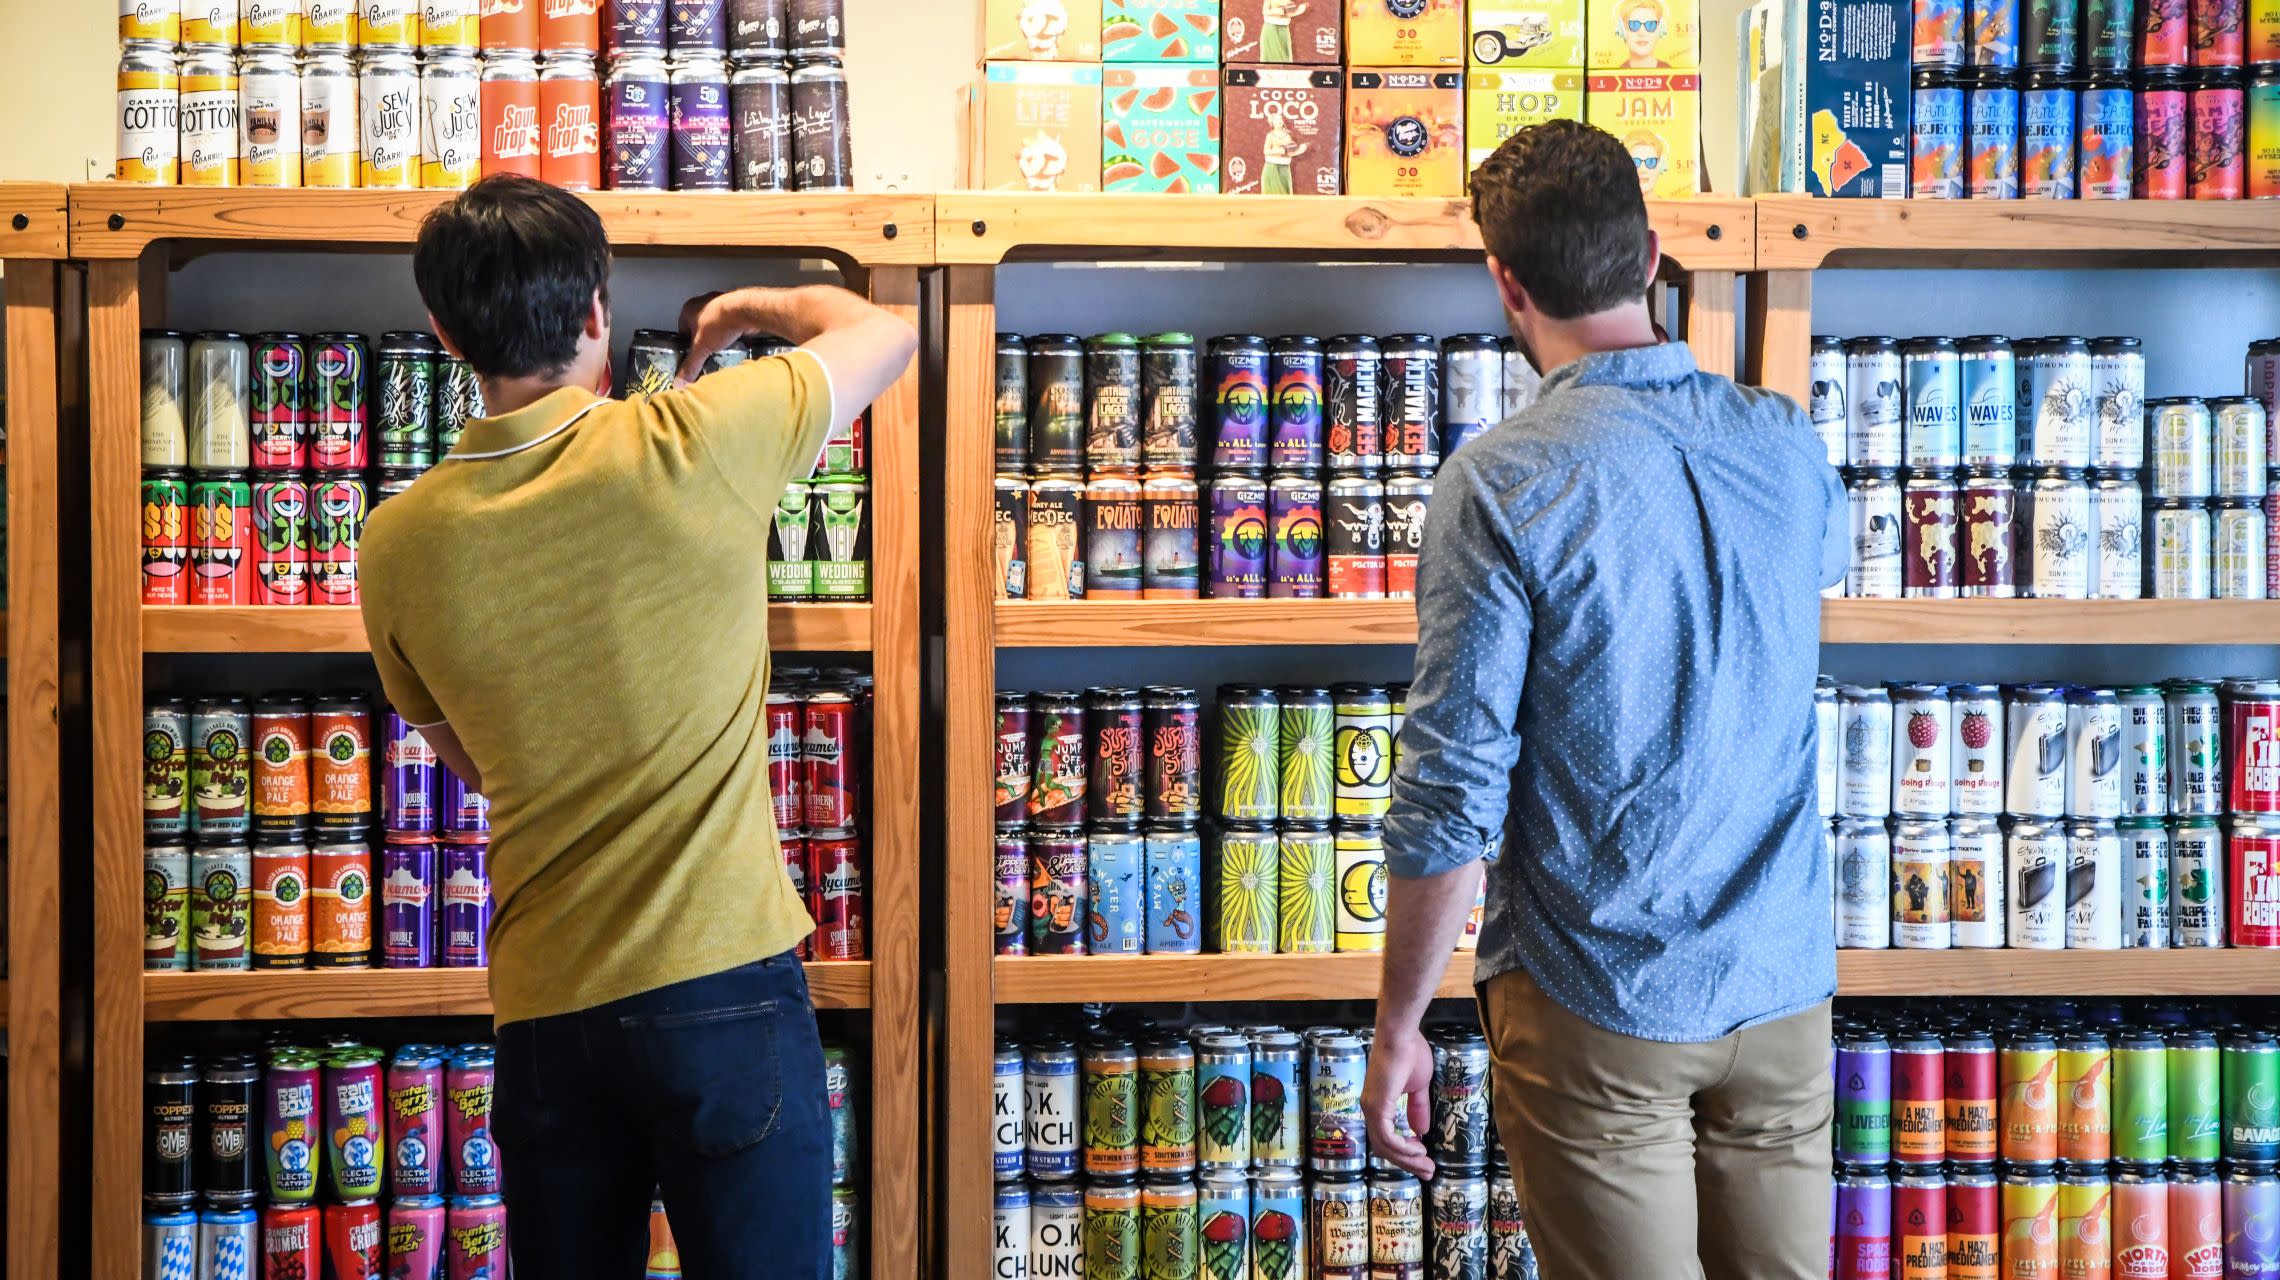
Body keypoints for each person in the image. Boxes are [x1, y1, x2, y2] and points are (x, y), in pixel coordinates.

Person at [359, 175, 916, 1279]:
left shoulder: (395, 540)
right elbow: (885, 331)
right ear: (597, 312)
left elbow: (477, 761)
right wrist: (747, 311)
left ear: (444, 332)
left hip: (546, 1008)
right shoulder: (694, 437)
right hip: (724, 984)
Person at [1359, 120, 1845, 1280]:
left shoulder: (1502, 479)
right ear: (1654, 252)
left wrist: (1396, 1026)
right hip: (1782, 989)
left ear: (1506, 283)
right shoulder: (1783, 441)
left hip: (1600, 994)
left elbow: (1451, 786)